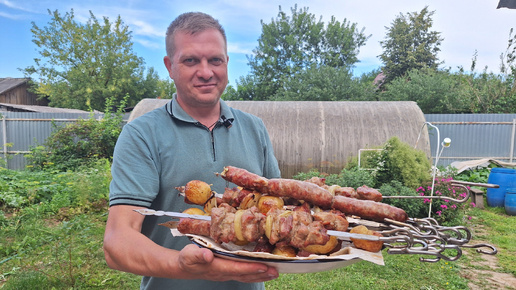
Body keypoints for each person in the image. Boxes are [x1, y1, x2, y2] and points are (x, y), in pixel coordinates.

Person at [103, 12, 281, 290]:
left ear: (227, 63)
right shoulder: (141, 134)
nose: (206, 72)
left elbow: (277, 211)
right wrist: (181, 265)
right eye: (190, 60)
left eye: (215, 60)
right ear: (169, 66)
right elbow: (117, 242)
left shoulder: (254, 128)